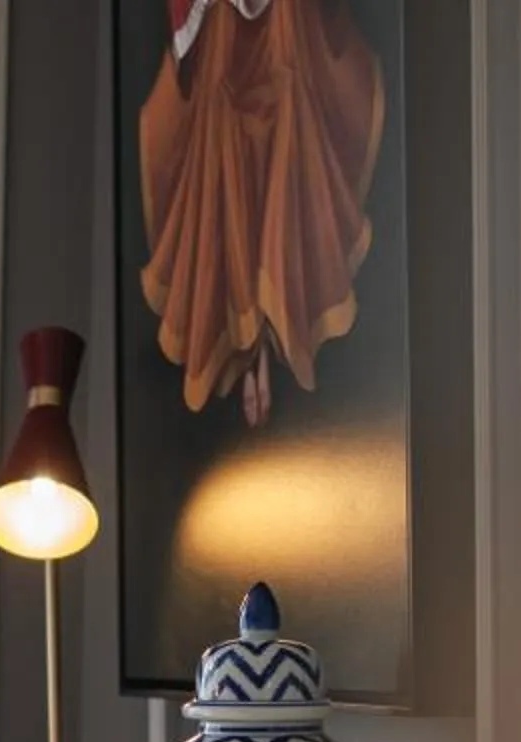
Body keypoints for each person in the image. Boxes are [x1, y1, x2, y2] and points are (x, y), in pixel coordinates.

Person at [137, 0, 386, 425]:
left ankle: (274, 343)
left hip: (288, 31)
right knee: (224, 162)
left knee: (288, 146)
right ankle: (248, 352)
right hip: (222, 35)